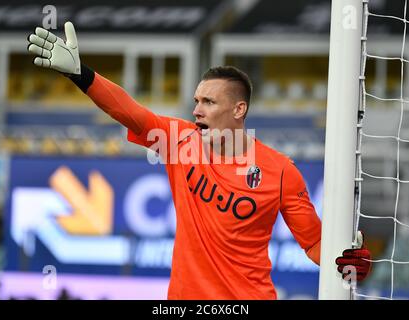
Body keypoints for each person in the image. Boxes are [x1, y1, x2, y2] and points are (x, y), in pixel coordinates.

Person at [27, 22, 371, 299]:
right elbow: (131, 113)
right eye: (196, 100)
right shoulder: (179, 141)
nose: (196, 110)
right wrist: (81, 75)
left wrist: (352, 262)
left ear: (239, 110)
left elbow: (313, 243)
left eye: (208, 102)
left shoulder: (280, 171)